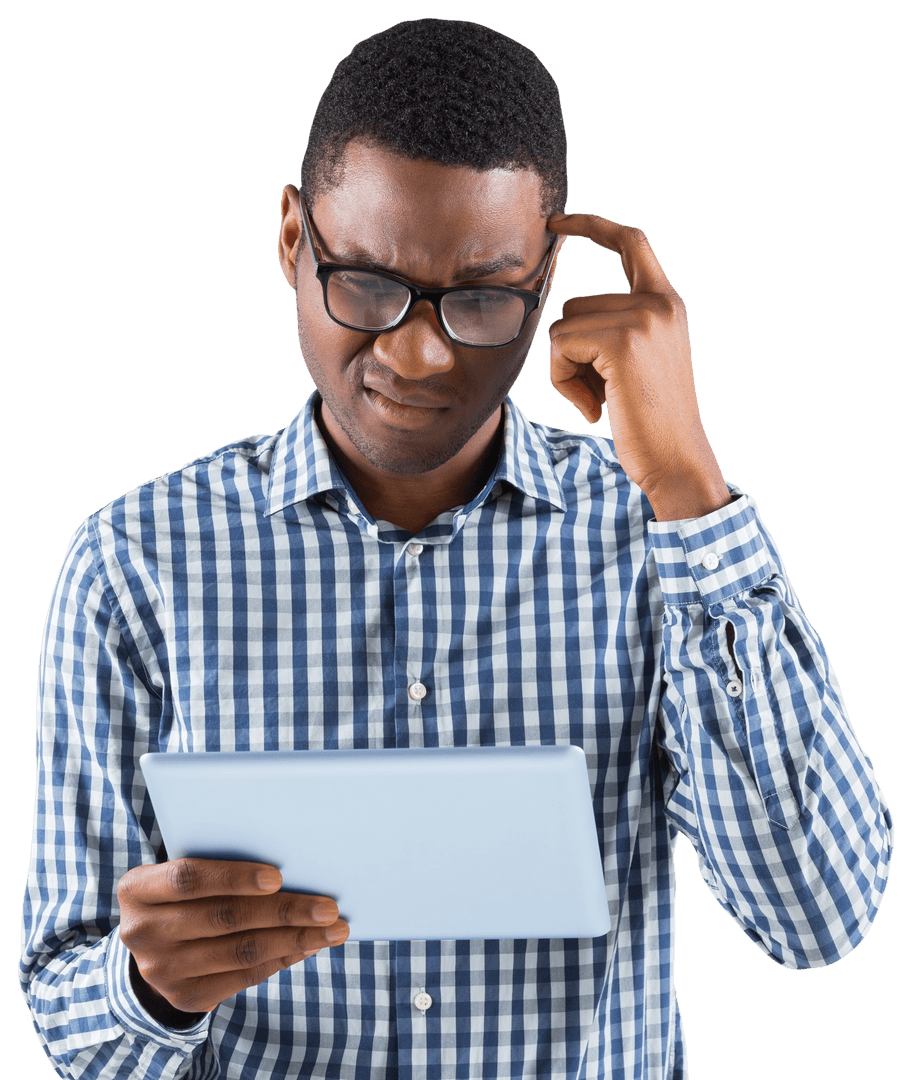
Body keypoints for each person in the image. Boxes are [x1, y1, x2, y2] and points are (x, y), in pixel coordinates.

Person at [20, 17, 892, 1080]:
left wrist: (691, 489)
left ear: (548, 276)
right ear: (294, 241)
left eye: (481, 298)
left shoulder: (654, 542)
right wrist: (148, 988)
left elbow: (816, 919)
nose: (421, 350)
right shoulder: (134, 564)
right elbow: (73, 1020)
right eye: (368, 284)